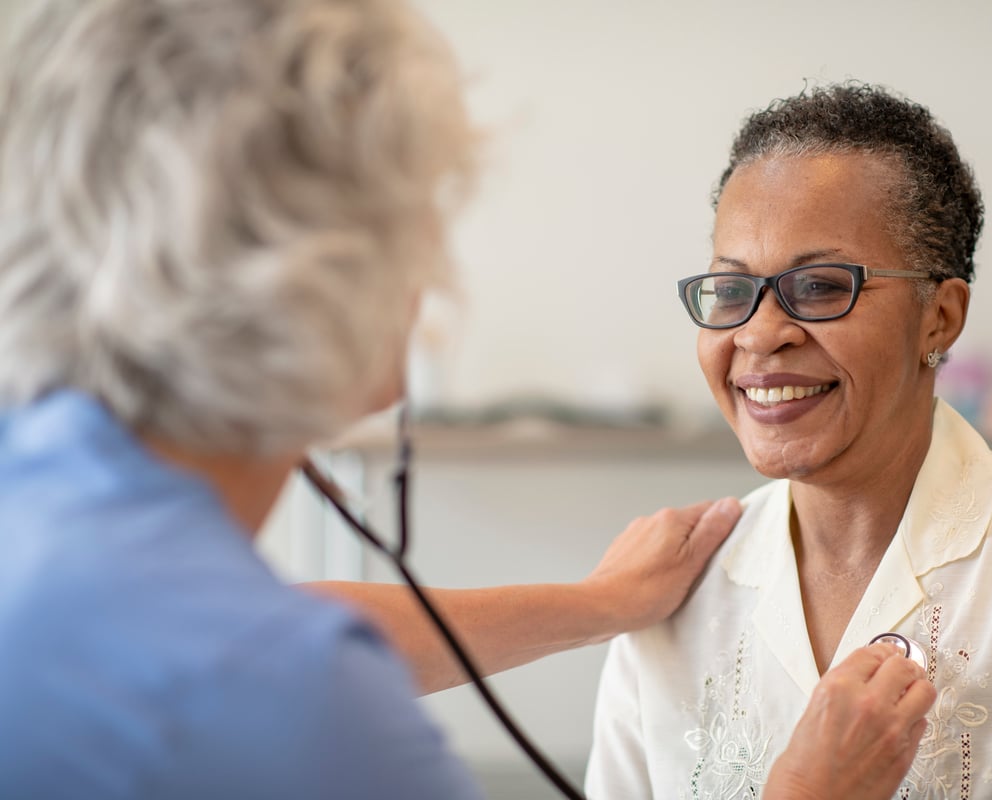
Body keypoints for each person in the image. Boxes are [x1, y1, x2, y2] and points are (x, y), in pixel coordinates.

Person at [0, 3, 934, 799]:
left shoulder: (42, 507)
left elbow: (266, 627)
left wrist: (594, 603)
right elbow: (270, 665)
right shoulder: (293, 703)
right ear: (330, 282)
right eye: (420, 228)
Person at [585, 83, 992, 799]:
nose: (758, 333)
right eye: (730, 292)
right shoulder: (668, 590)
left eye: (819, 286)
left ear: (939, 318)